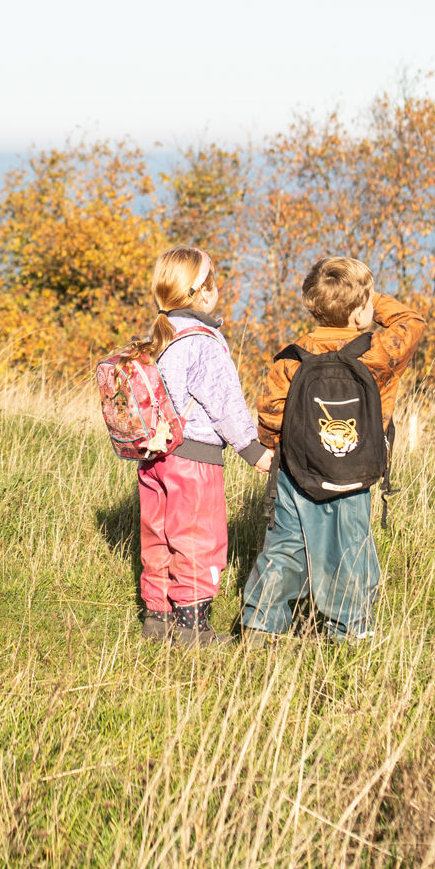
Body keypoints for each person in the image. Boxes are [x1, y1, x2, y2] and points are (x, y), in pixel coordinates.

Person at [240, 257, 426, 643]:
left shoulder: (293, 356)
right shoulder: (378, 353)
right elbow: (412, 323)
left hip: (296, 471)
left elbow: (270, 412)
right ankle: (350, 629)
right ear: (361, 312)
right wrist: (373, 300)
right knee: (351, 550)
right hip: (353, 473)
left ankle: (260, 623)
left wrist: (276, 449)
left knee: (286, 545)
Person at [135, 246, 274, 647]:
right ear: (203, 293)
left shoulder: (162, 334)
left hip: (153, 458)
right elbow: (225, 402)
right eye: (214, 280)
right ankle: (192, 626)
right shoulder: (204, 340)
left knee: (158, 535)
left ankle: (157, 618)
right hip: (194, 457)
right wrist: (252, 450)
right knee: (197, 537)